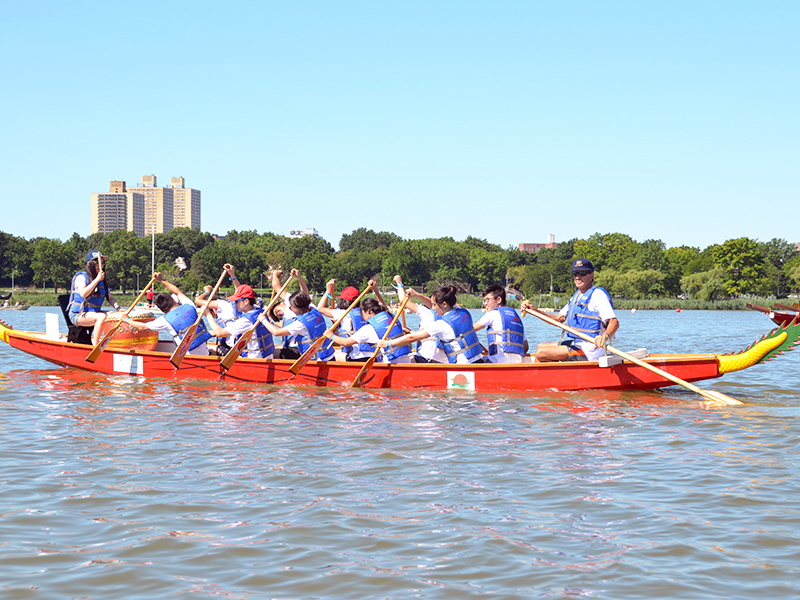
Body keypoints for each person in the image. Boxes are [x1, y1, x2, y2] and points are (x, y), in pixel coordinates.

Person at [378, 276, 483, 364]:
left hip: (459, 365)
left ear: (444, 304)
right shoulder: (463, 312)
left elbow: (411, 338)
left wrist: (388, 343)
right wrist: (418, 295)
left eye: (434, 305)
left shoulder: (441, 324)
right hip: (477, 360)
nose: (432, 307)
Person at [531, 258, 619, 362]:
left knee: (541, 353)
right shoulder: (577, 296)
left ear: (591, 275)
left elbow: (614, 322)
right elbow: (558, 319)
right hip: (577, 343)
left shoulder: (598, 295)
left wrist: (604, 336)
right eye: (575, 274)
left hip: (590, 349)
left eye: (582, 273)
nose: (578, 277)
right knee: (540, 347)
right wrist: (535, 311)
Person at [124, 273, 212, 356]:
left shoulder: (165, 320)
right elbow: (177, 291)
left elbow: (142, 327)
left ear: (163, 311)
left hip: (187, 356)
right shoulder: (189, 305)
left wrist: (126, 319)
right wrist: (161, 280)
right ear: (174, 300)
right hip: (205, 352)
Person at [322, 297, 412, 363]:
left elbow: (345, 342)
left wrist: (331, 335)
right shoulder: (392, 318)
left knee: (338, 357)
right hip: (407, 361)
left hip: (390, 363)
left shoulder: (368, 329)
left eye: (362, 314)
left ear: (368, 311)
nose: (363, 318)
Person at [316, 278, 386, 361]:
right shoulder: (367, 312)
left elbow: (320, 308)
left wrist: (328, 290)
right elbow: (383, 307)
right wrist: (376, 290)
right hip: (374, 355)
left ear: (344, 301)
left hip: (356, 357)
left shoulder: (343, 313)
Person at [205, 284, 275, 359]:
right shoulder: (260, 311)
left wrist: (208, 315)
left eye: (237, 301)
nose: (235, 304)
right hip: (267, 356)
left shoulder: (246, 320)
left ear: (246, 301)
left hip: (254, 360)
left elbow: (220, 333)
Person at [261, 289, 333, 361]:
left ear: (296, 307)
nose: (291, 310)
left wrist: (263, 319)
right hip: (329, 355)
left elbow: (276, 332)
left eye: (291, 308)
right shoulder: (314, 310)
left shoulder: (300, 323)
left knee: (272, 353)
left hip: (317, 359)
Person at [68, 250, 122, 345]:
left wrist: (119, 309)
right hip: (78, 314)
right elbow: (83, 293)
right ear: (89, 264)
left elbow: (110, 297)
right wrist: (97, 279)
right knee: (101, 317)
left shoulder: (102, 280)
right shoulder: (81, 277)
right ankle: (96, 346)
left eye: (102, 262)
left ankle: (113, 342)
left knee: (115, 316)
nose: (101, 265)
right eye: (97, 263)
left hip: (93, 313)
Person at [472, 284, 528, 363]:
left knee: (473, 358)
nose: (485, 303)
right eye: (484, 300)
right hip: (517, 363)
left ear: (498, 300)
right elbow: (525, 347)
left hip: (498, 363)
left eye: (488, 300)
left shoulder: (493, 313)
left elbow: (470, 330)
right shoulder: (516, 318)